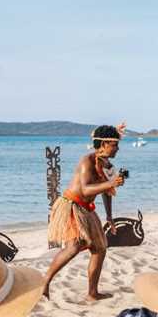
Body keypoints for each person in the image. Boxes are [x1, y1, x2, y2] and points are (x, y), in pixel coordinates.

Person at [44, 123, 126, 301]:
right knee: (73, 247)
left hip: (87, 210)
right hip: (72, 206)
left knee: (100, 249)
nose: (118, 149)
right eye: (115, 145)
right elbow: (86, 189)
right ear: (104, 144)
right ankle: (45, 281)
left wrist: (109, 217)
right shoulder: (87, 161)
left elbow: (106, 192)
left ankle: (92, 293)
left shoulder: (108, 165)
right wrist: (112, 183)